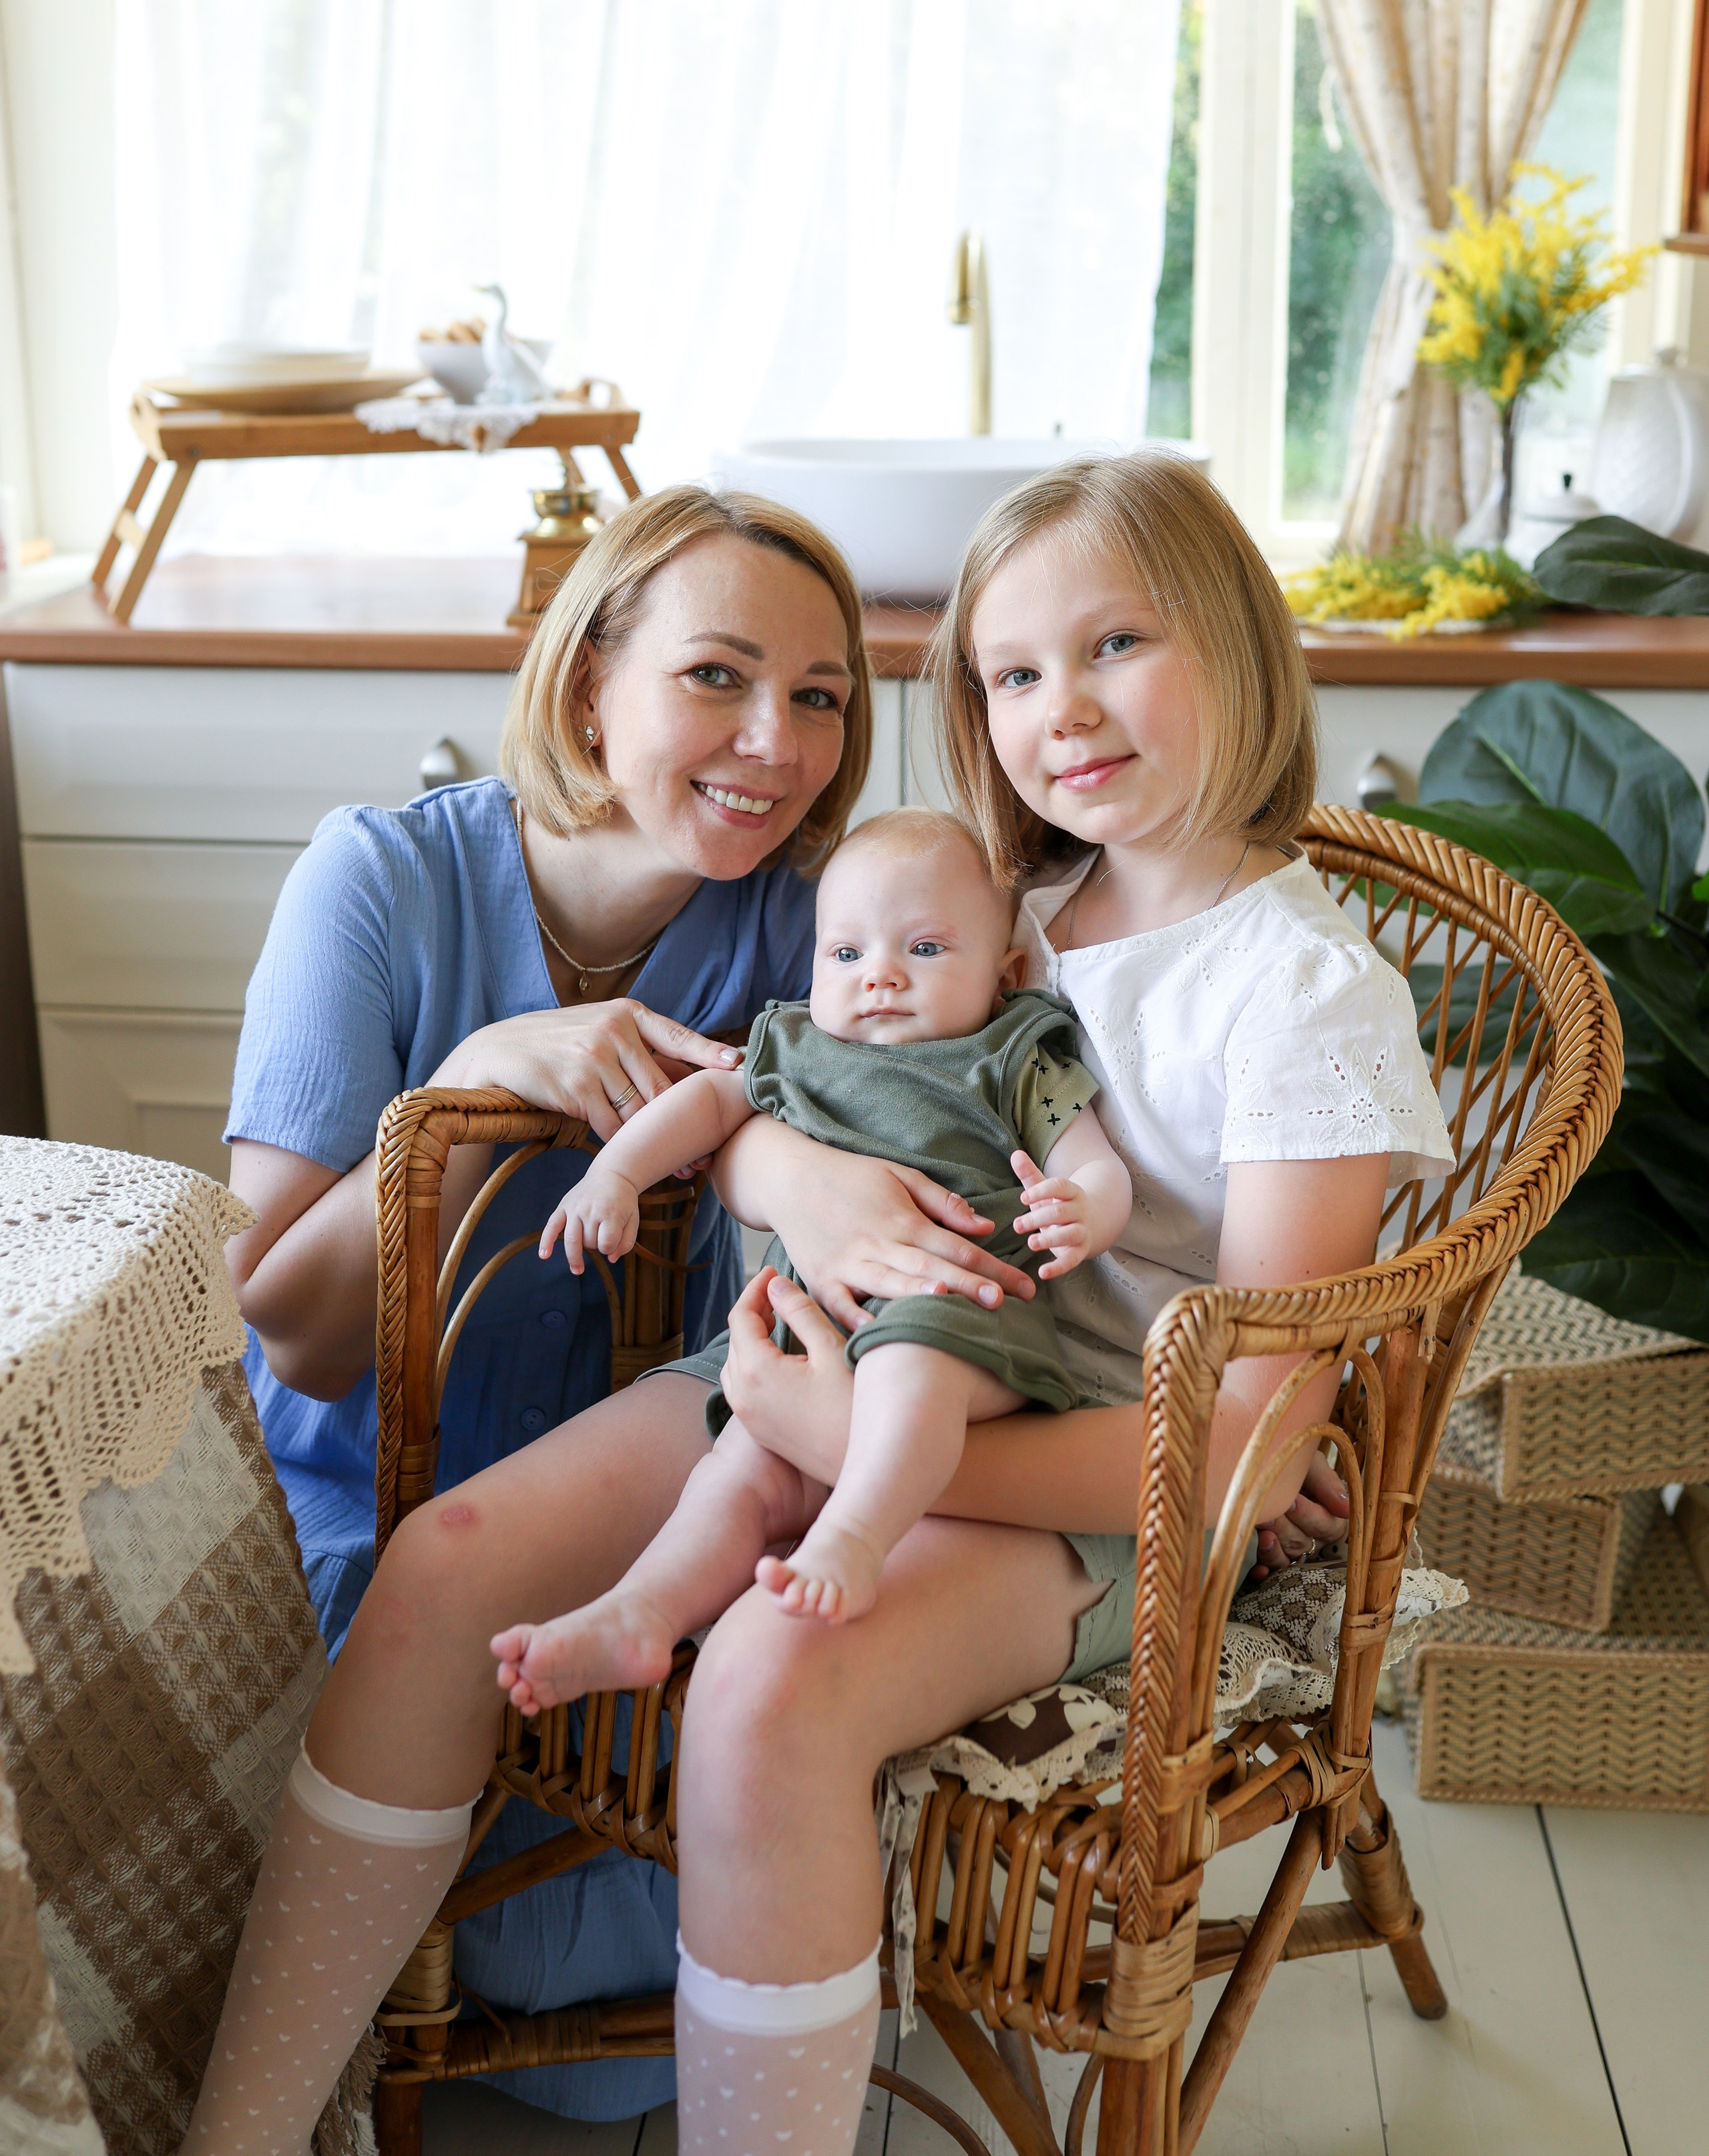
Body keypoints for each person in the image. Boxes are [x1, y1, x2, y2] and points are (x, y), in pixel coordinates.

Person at [182, 453, 1451, 2156]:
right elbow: (780, 1091)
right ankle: (242, 2133)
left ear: (1235, 640)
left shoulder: (1298, 992)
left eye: (1114, 645)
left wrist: (846, 1441)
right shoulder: (1001, 916)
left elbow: (1226, 1451)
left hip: (1058, 1483)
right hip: (790, 1373)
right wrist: (788, 1310)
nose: (1059, 711)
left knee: (767, 1682)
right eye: (1010, 674)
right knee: (443, 1565)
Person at [206, 482, 884, 2131]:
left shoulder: (817, 930)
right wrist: (459, 1089)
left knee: (616, 2022)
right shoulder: (372, 883)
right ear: (590, 680)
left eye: (817, 698)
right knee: (526, 1953)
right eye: (714, 677)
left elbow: (896, 1208)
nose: (772, 741)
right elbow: (281, 1325)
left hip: (637, 1540)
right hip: (371, 1519)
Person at [493, 806, 1132, 1706]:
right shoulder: (798, 1045)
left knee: (911, 1370)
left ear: (1006, 971)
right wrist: (616, 1176)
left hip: (959, 1317)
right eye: (846, 954)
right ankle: (641, 1614)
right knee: (740, 1471)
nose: (879, 977)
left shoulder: (1013, 1048)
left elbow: (1092, 1163)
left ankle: (856, 1537)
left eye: (925, 949)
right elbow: (707, 1108)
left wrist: (1085, 1212)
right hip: (813, 1329)